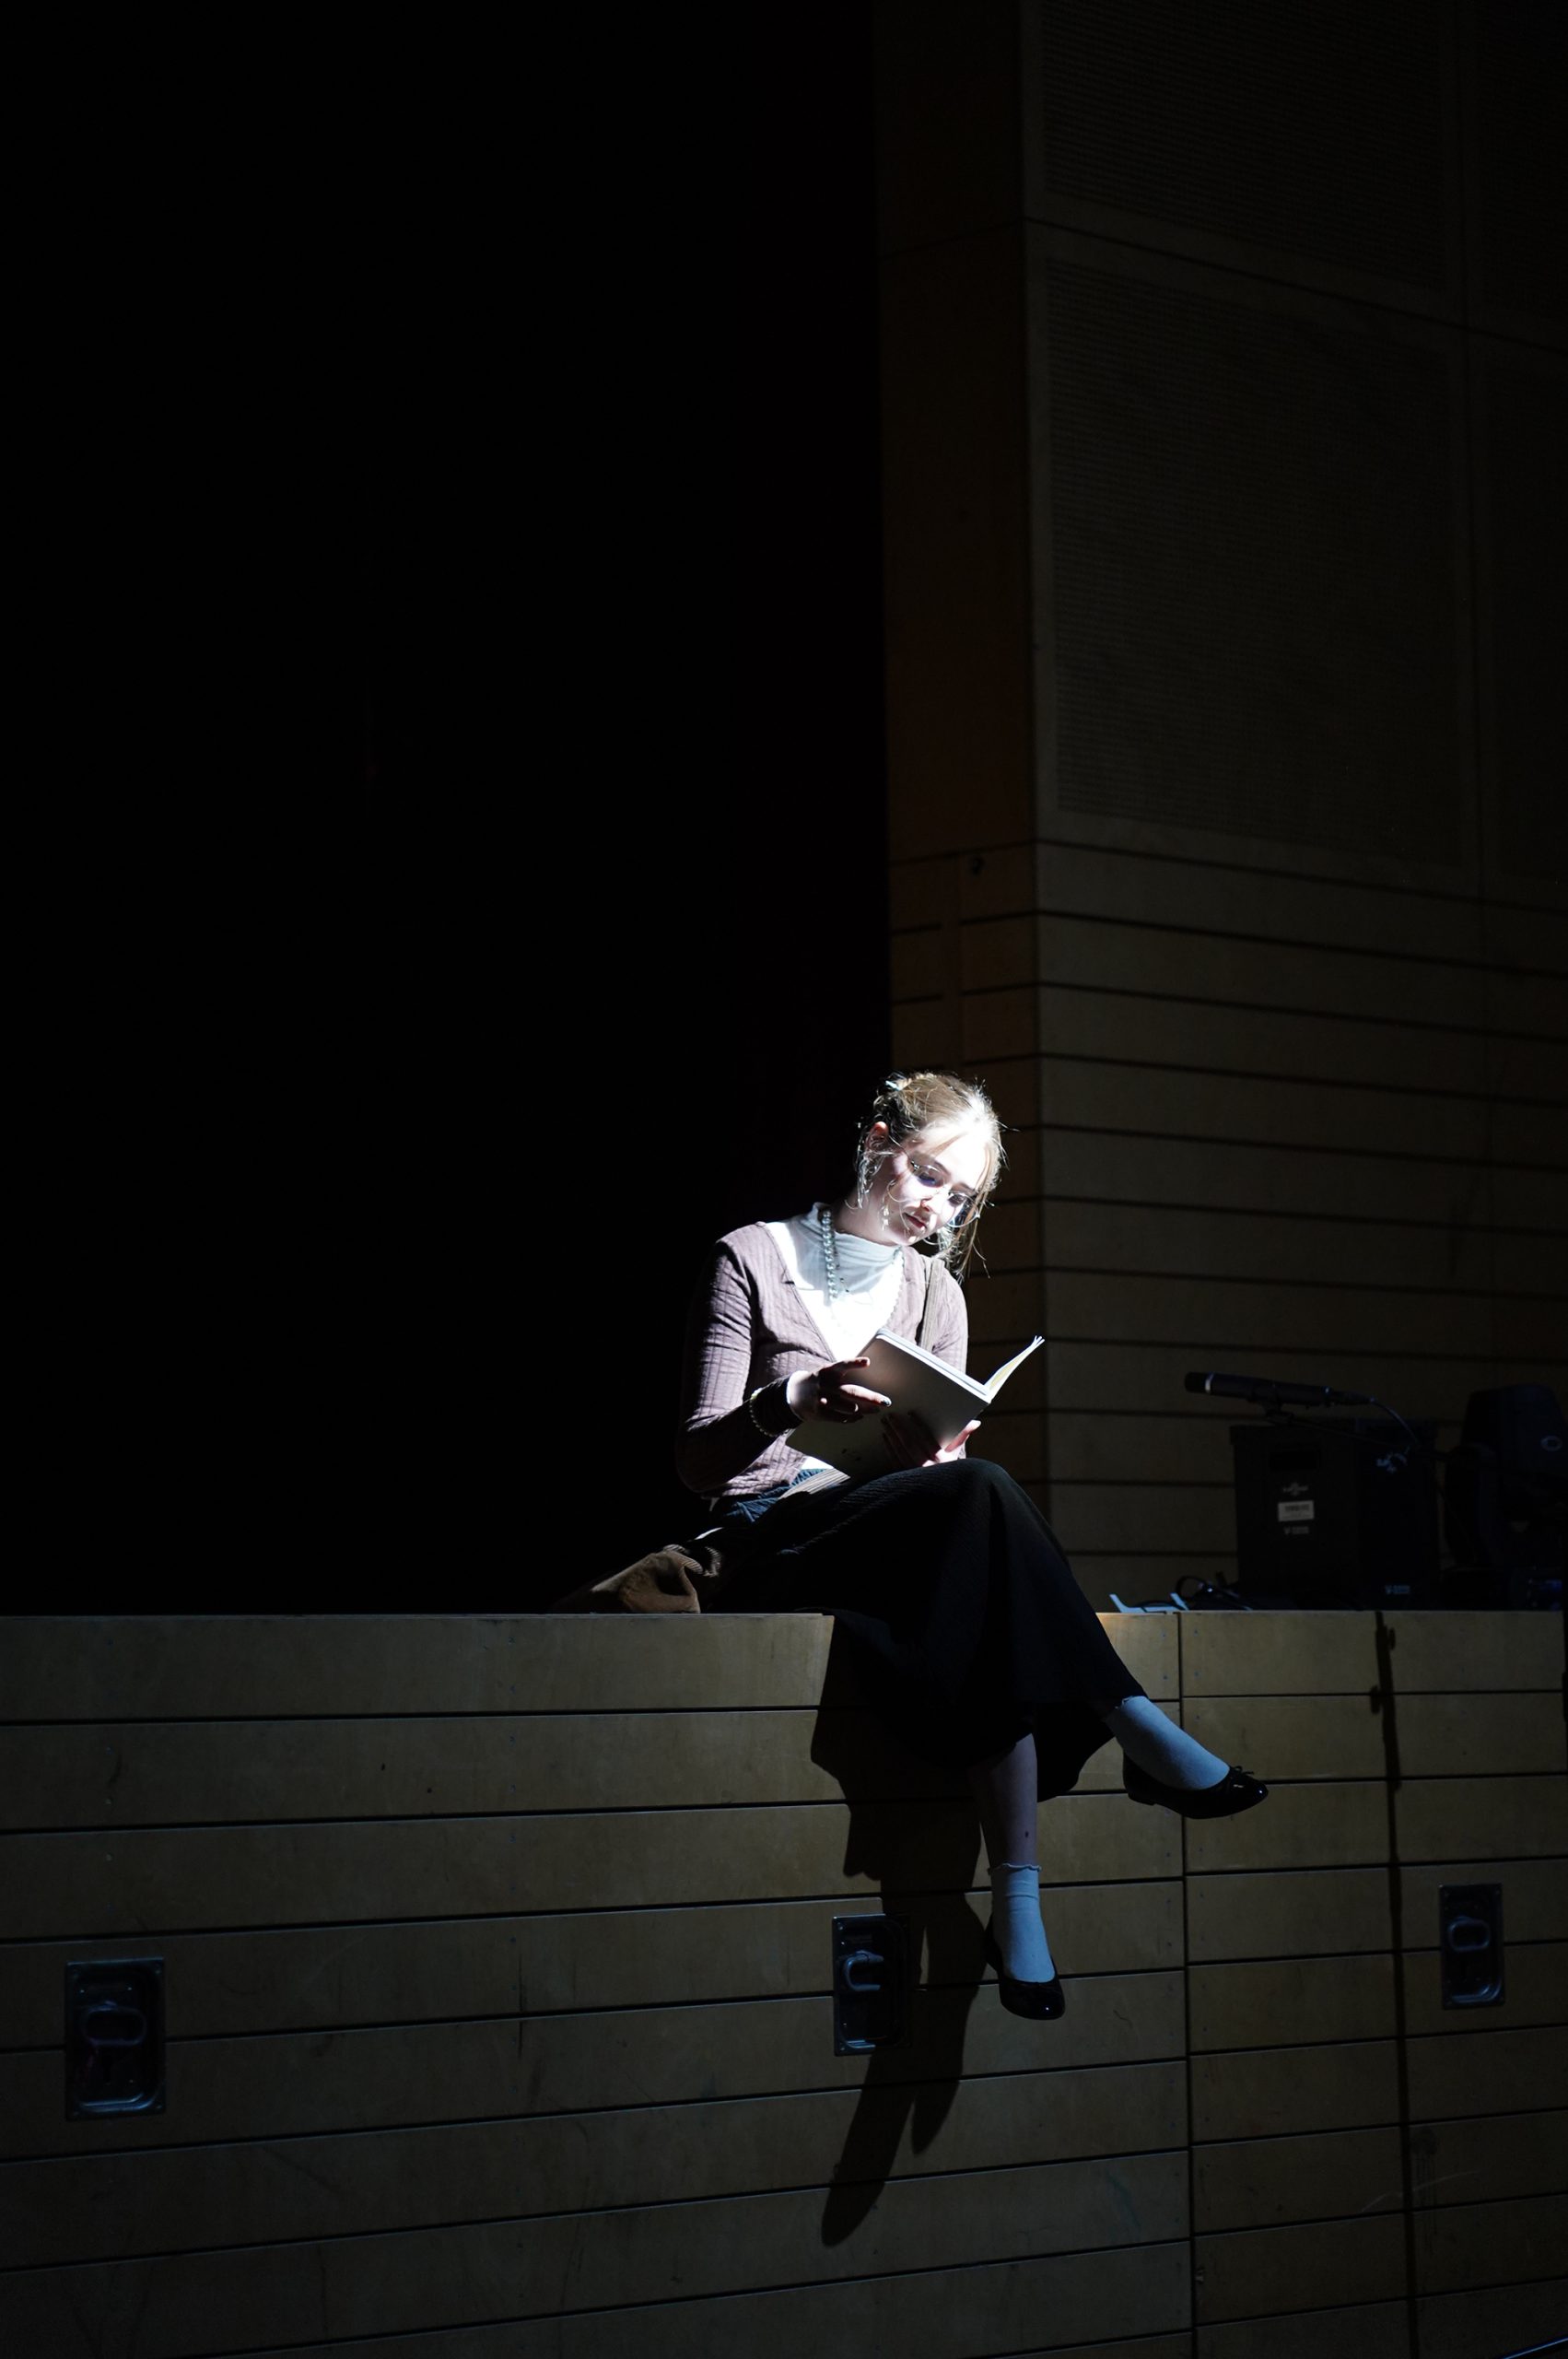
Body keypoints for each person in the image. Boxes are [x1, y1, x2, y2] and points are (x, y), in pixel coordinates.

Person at [678, 1071, 1266, 2019]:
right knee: (984, 1499)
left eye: (962, 1197)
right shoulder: (752, 1256)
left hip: (890, 1538)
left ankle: (1019, 1897)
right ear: (877, 1141)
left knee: (977, 1536)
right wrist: (791, 1401)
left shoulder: (932, 1291)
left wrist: (929, 1456)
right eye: (927, 1175)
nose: (939, 1209)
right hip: (775, 1538)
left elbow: (936, 1467)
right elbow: (699, 1463)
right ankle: (1125, 1727)